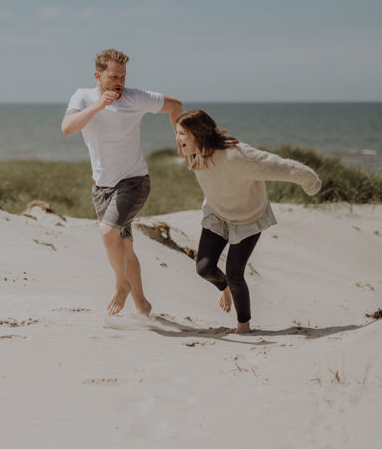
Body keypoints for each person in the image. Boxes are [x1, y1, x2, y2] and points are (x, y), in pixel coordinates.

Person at [174, 109, 321, 334]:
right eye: (176, 133)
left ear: (197, 133)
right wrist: (183, 140)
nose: (177, 138)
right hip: (217, 214)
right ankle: (224, 288)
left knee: (235, 274)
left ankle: (243, 324)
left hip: (248, 217)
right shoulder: (194, 153)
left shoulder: (236, 156)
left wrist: (309, 180)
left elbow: (276, 165)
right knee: (204, 268)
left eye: (182, 133)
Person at [62, 49, 183, 316]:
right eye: (114, 77)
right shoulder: (83, 96)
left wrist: (180, 140)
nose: (120, 82)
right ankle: (142, 305)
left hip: (133, 182)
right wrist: (98, 106)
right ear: (98, 75)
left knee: (108, 233)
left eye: (123, 77)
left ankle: (121, 286)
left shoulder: (135, 97)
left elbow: (176, 106)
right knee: (124, 246)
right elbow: (67, 128)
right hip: (101, 188)